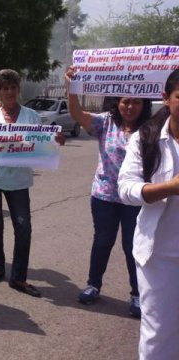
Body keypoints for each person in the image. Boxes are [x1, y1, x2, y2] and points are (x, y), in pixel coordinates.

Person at [0, 69, 65, 298]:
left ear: (18, 90)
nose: (9, 92)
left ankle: (18, 277)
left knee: (23, 227)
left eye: (13, 87)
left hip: (18, 181)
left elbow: (43, 145)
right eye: (4, 88)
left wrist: (56, 141)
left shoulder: (31, 117)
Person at [65, 65, 151, 316]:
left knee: (132, 246)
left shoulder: (151, 129)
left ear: (143, 105)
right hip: (104, 196)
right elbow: (76, 113)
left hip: (135, 198)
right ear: (118, 102)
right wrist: (72, 88)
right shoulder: (105, 122)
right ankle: (93, 285)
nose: (130, 107)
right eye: (126, 102)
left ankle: (137, 294)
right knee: (102, 241)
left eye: (136, 102)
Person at [118, 69, 179, 359]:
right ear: (166, 98)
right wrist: (169, 188)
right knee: (158, 332)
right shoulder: (146, 138)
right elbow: (126, 188)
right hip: (160, 257)